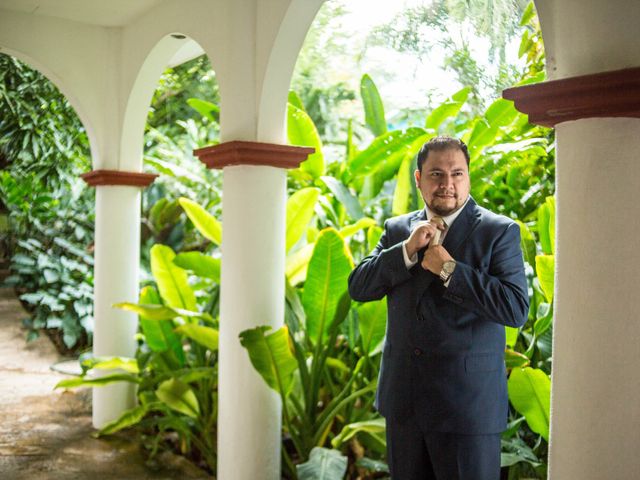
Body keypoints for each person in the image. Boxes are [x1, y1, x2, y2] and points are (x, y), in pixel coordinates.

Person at [348, 136, 529, 480]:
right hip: (405, 406)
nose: (447, 184)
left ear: (468, 178)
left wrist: (450, 271)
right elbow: (359, 287)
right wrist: (405, 250)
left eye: (457, 174)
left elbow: (515, 307)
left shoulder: (498, 231)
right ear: (419, 179)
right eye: (436, 174)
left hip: (467, 409)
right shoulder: (397, 230)